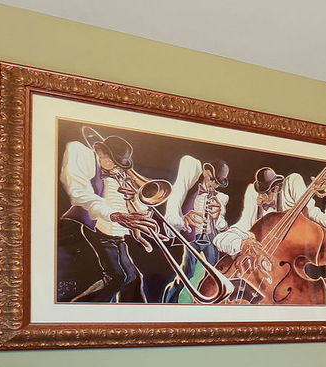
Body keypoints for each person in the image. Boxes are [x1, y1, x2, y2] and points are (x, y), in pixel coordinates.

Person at [58, 126, 158, 302]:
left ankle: (137, 314)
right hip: (90, 229)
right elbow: (80, 195)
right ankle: (78, 309)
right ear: (99, 152)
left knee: (133, 278)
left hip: (115, 235)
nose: (117, 167)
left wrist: (135, 200)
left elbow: (136, 212)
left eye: (121, 164)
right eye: (113, 161)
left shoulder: (119, 178)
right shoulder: (85, 158)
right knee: (117, 278)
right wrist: (114, 215)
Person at [214, 165, 326, 257]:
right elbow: (229, 235)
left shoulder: (291, 186)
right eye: (258, 192)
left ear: (276, 189)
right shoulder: (253, 197)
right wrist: (241, 244)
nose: (259, 198)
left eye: (264, 193)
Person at [161, 156, 230, 303]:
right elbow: (175, 213)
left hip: (210, 239)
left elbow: (223, 226)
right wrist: (183, 219)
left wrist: (217, 217)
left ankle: (203, 303)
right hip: (192, 238)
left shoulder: (221, 198)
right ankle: (170, 299)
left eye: (217, 183)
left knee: (214, 273)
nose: (213, 184)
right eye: (211, 179)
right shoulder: (190, 189)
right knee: (187, 273)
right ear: (205, 172)